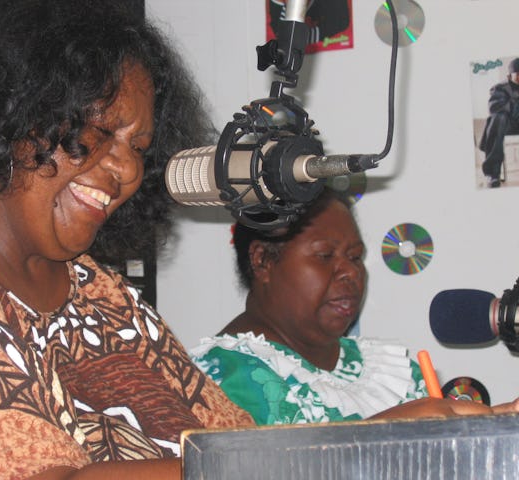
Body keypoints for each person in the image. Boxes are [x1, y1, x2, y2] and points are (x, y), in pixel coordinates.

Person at [0, 1, 254, 478]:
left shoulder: (95, 290)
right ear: (5, 104)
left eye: (139, 148)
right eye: (101, 129)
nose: (128, 170)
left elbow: (231, 445)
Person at [192, 187, 517, 425]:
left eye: (355, 257)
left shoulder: (393, 372)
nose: (350, 272)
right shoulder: (213, 379)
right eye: (325, 256)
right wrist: (382, 433)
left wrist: (491, 429)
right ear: (263, 261)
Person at [479, 57, 519, 188]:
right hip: (506, 125)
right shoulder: (499, 88)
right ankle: (492, 173)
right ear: (509, 75)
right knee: (498, 118)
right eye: (518, 74)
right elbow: (495, 108)